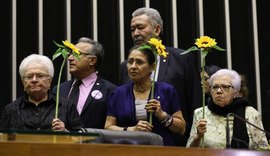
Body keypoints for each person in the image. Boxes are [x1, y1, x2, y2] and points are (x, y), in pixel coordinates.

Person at [119, 7, 201, 146]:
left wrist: (193, 139)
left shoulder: (182, 58)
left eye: (140, 27)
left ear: (157, 30)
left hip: (175, 141)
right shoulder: (126, 65)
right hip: (135, 143)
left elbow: (195, 101)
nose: (135, 33)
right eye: (132, 29)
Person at [105, 43, 186, 146]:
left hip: (162, 150)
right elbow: (108, 127)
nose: (133, 66)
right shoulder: (118, 93)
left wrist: (163, 115)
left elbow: (181, 129)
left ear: (152, 67)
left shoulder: (167, 90)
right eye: (130, 62)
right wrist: (130, 130)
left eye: (139, 62)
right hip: (128, 150)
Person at [187, 69, 269, 149]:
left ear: (236, 92)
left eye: (225, 87)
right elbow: (189, 151)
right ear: (211, 91)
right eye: (215, 87)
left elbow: (262, 149)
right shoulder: (200, 113)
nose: (219, 91)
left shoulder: (250, 113)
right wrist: (198, 137)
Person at [0, 54, 81, 131]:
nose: (34, 80)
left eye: (40, 76)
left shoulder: (66, 107)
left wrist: (65, 132)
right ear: (22, 81)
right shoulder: (11, 110)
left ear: (50, 80)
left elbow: (80, 139)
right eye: (29, 76)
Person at [52, 37, 116, 129]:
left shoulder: (110, 90)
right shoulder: (58, 89)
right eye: (70, 54)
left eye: (76, 54)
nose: (69, 58)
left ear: (93, 60)